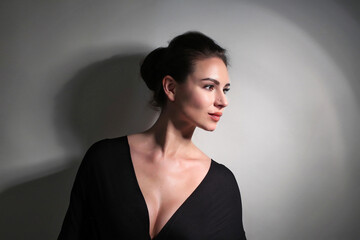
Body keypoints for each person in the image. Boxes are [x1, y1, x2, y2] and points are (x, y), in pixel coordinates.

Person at [58, 31, 246, 240]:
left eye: (225, 89)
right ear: (171, 88)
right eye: (209, 86)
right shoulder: (103, 160)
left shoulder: (221, 184)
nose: (223, 101)